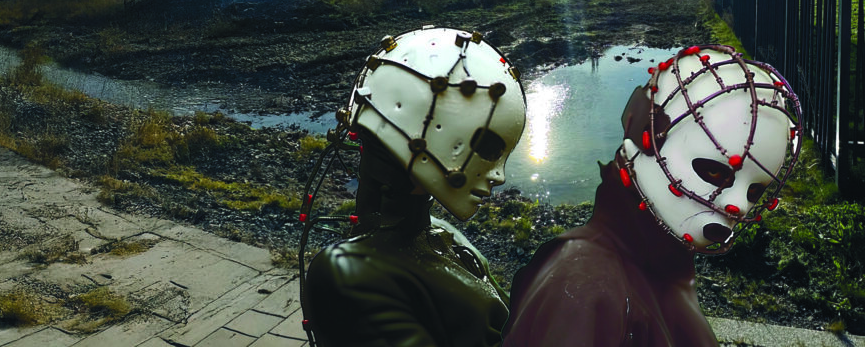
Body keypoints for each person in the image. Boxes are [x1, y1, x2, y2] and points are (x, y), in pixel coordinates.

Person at [503, 44, 802, 347]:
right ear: (645, 136)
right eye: (714, 172)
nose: (736, 206)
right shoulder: (586, 287)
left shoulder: (662, 268)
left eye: (755, 191)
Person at [302, 26, 528, 347]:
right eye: (488, 149)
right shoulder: (347, 275)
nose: (499, 177)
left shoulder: (440, 235)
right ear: (430, 136)